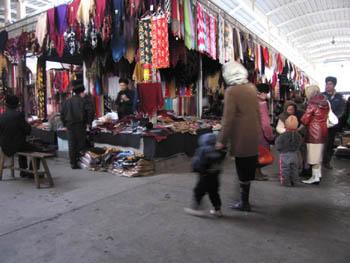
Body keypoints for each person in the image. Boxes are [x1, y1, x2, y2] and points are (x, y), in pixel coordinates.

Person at [216, 61, 260, 212]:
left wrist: (221, 140)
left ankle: (244, 202)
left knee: (242, 169)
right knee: (247, 168)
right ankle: (244, 200)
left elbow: (228, 119)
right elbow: (257, 113)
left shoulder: (232, 91)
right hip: (253, 134)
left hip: (240, 136)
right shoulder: (252, 88)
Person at [184, 133, 226, 217]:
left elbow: (198, 162)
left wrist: (194, 169)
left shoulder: (201, 150)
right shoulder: (218, 150)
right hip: (215, 177)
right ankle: (218, 210)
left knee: (198, 192)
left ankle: (197, 209)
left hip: (204, 176)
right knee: (214, 193)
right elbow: (222, 158)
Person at [0, 94, 39, 177]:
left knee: (22, 144)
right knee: (37, 149)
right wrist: (31, 126)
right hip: (15, 145)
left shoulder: (2, 116)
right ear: (17, 105)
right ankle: (32, 173)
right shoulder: (18, 115)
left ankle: (23, 171)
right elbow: (27, 130)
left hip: (4, 145)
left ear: (6, 105)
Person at [301, 85, 329, 185]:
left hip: (314, 133)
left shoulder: (312, 104)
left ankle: (315, 177)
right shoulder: (325, 102)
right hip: (323, 131)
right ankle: (318, 174)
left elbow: (305, 120)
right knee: (319, 156)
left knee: (313, 157)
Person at [61, 85, 90, 169]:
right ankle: (79, 161)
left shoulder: (67, 101)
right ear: (81, 92)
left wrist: (64, 124)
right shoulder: (83, 101)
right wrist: (88, 122)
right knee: (80, 143)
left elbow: (62, 114)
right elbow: (88, 112)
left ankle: (73, 162)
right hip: (79, 125)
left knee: (72, 144)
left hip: (69, 125)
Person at [322, 76, 345, 169]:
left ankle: (327, 161)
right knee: (321, 142)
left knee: (330, 143)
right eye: (327, 84)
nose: (328, 86)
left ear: (334, 85)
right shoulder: (321, 96)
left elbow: (342, 110)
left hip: (333, 124)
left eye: (330, 84)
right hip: (322, 123)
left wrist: (334, 119)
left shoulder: (339, 97)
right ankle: (320, 160)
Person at [275, 115, 302, 187]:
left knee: (285, 169)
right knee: (294, 169)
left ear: (286, 125)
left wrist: (280, 150)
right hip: (295, 154)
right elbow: (300, 144)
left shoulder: (283, 135)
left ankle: (286, 182)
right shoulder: (298, 135)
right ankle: (295, 181)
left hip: (284, 154)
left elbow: (278, 144)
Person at [256, 83, 275, 181]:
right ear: (263, 93)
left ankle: (257, 172)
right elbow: (266, 123)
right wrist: (270, 136)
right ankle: (257, 173)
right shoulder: (262, 104)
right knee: (262, 153)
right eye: (267, 92)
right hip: (260, 133)